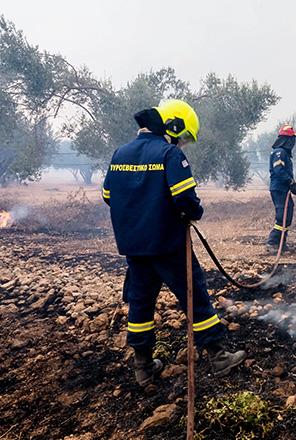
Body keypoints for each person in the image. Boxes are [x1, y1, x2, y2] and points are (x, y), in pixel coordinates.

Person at [102, 99, 246, 387]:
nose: (182, 145)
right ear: (174, 127)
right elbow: (185, 198)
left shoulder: (120, 154)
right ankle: (219, 358)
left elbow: (108, 196)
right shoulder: (169, 154)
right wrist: (194, 213)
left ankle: (143, 367)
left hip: (135, 246)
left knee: (141, 303)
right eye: (183, 139)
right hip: (168, 244)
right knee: (195, 296)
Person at [265, 125, 296, 253]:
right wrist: (291, 182)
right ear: (286, 139)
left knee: (288, 215)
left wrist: (293, 187)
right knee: (282, 217)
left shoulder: (284, 153)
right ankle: (272, 243)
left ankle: (282, 243)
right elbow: (279, 171)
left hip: (284, 189)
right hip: (279, 189)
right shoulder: (279, 152)